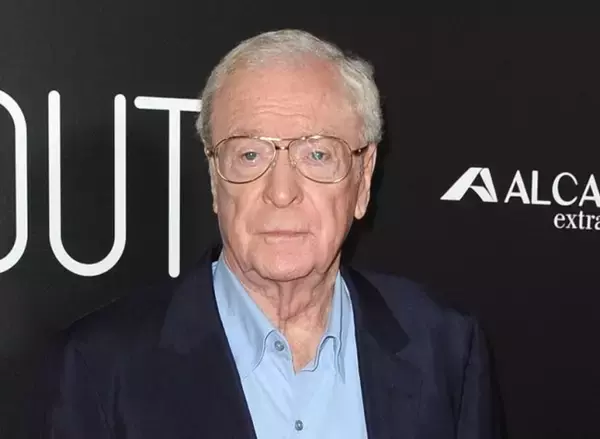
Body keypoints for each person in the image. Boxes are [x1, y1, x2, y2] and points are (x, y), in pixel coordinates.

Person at [29, 29, 503, 438]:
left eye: (318, 154)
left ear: (362, 180)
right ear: (215, 181)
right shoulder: (100, 367)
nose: (281, 192)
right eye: (250, 154)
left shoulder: (444, 345)